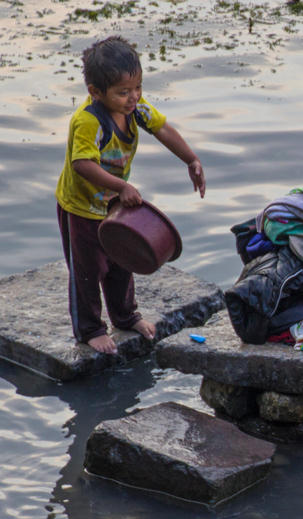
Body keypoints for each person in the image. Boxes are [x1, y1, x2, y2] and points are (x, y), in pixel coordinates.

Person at [55, 35, 206, 354]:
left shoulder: (136, 109)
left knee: (122, 259)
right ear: (95, 92)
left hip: (112, 204)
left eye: (137, 88)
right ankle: (90, 329)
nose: (133, 97)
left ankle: (125, 316)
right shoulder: (89, 121)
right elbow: (82, 164)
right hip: (81, 207)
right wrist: (121, 186)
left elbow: (162, 128)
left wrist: (190, 159)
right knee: (87, 269)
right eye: (123, 92)